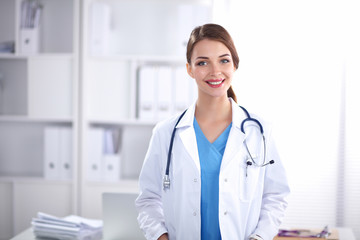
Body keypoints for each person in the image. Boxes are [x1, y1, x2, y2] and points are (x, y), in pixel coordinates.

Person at [135, 23, 290, 240]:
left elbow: (275, 196)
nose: (215, 71)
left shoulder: (260, 131)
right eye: (202, 62)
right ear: (189, 69)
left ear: (235, 65)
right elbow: (148, 199)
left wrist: (260, 237)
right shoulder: (166, 133)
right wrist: (160, 236)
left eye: (224, 60)